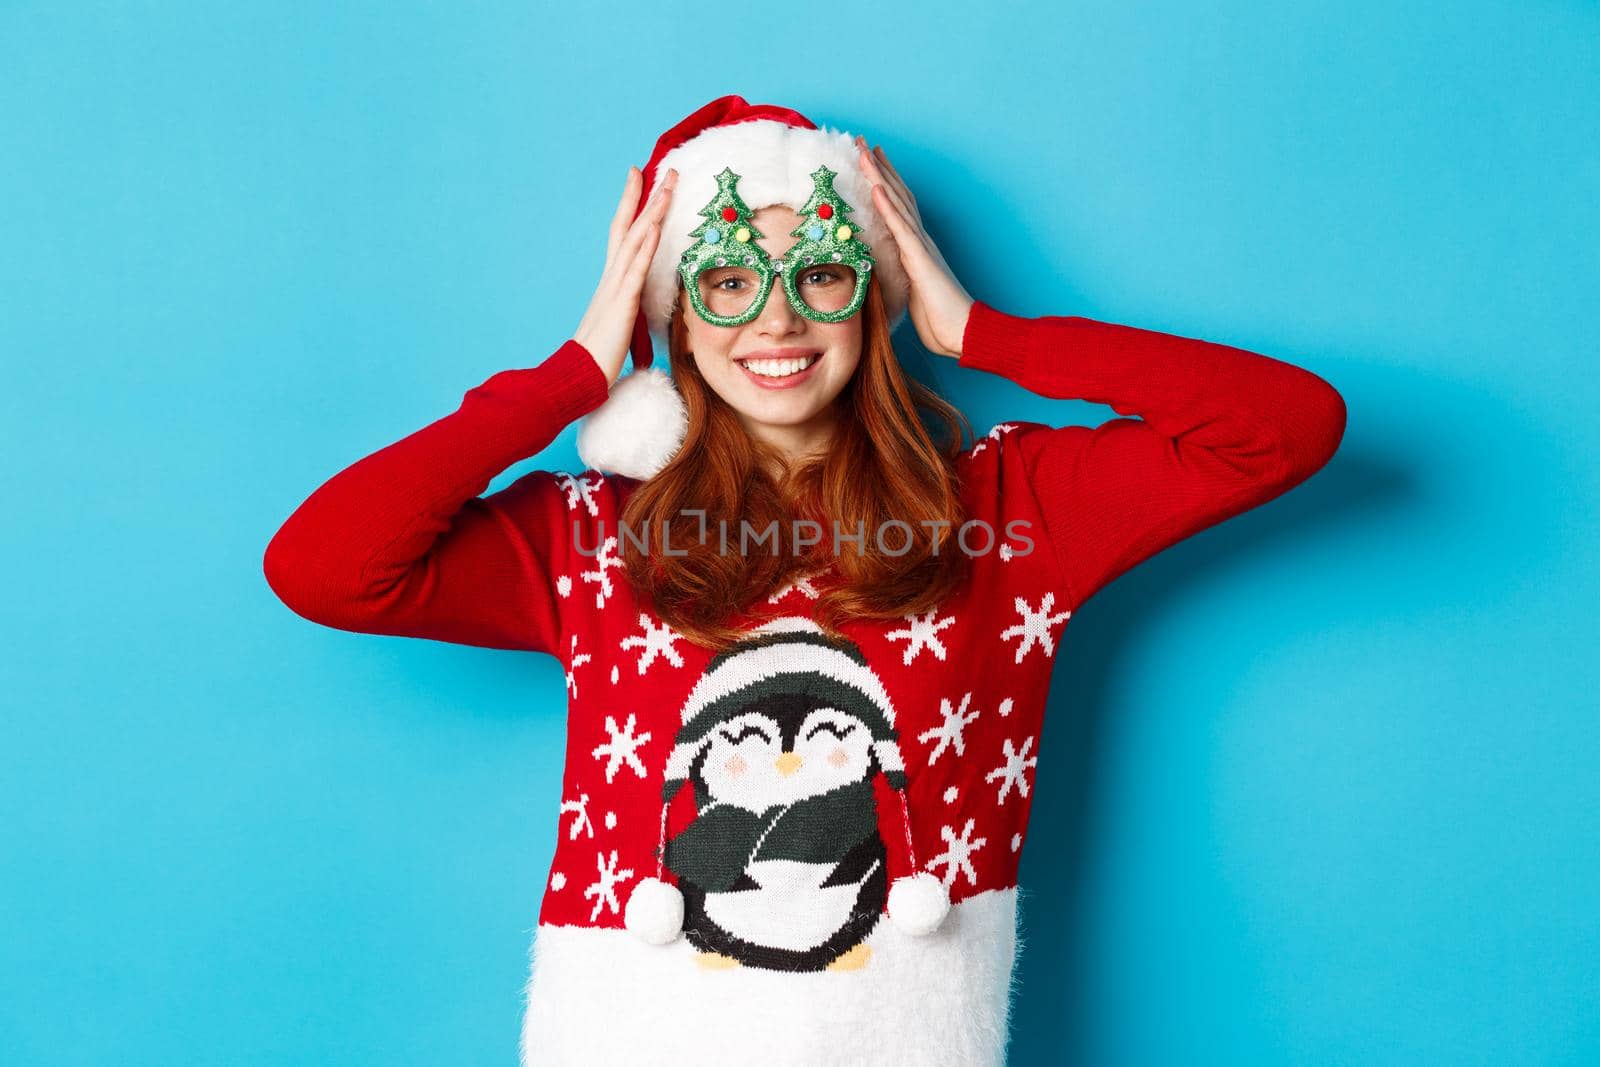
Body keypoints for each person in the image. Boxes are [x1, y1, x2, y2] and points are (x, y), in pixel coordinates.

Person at [262, 95, 1346, 1066]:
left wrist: (980, 331)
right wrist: (576, 372)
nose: (775, 321)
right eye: (726, 281)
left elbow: (1284, 427)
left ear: (870, 299)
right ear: (675, 315)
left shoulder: (1014, 507)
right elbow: (324, 566)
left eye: (820, 273)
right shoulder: (590, 533)